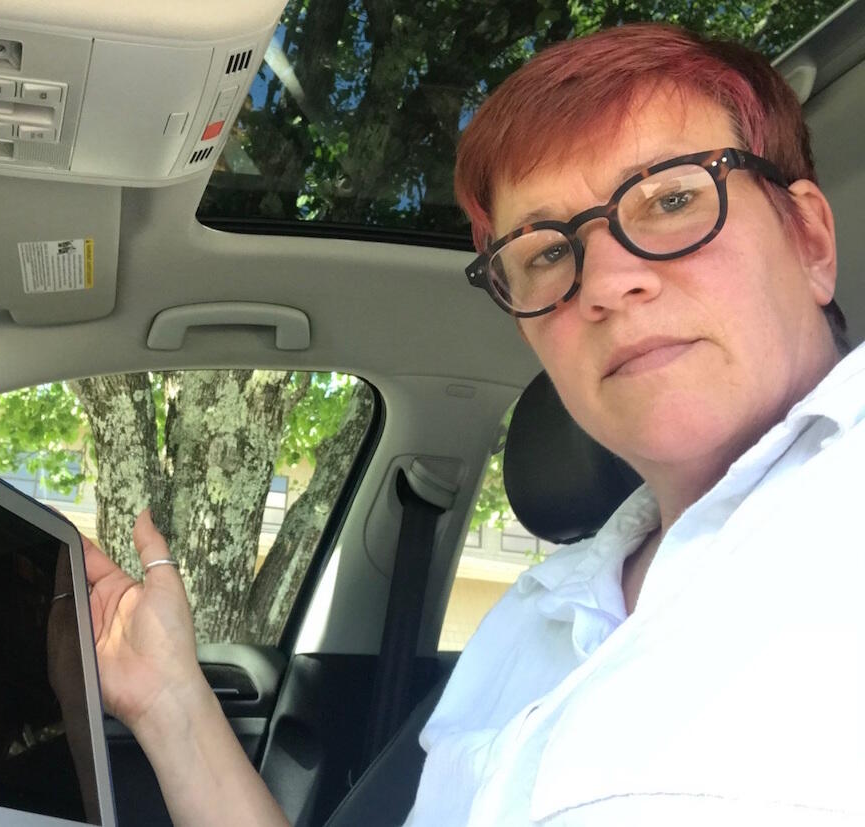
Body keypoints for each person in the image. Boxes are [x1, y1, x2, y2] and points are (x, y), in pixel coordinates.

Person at [81, 22, 865, 826]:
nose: (606, 281)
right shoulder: (530, 620)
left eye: (671, 199)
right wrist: (172, 699)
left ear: (808, 238)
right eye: (548, 252)